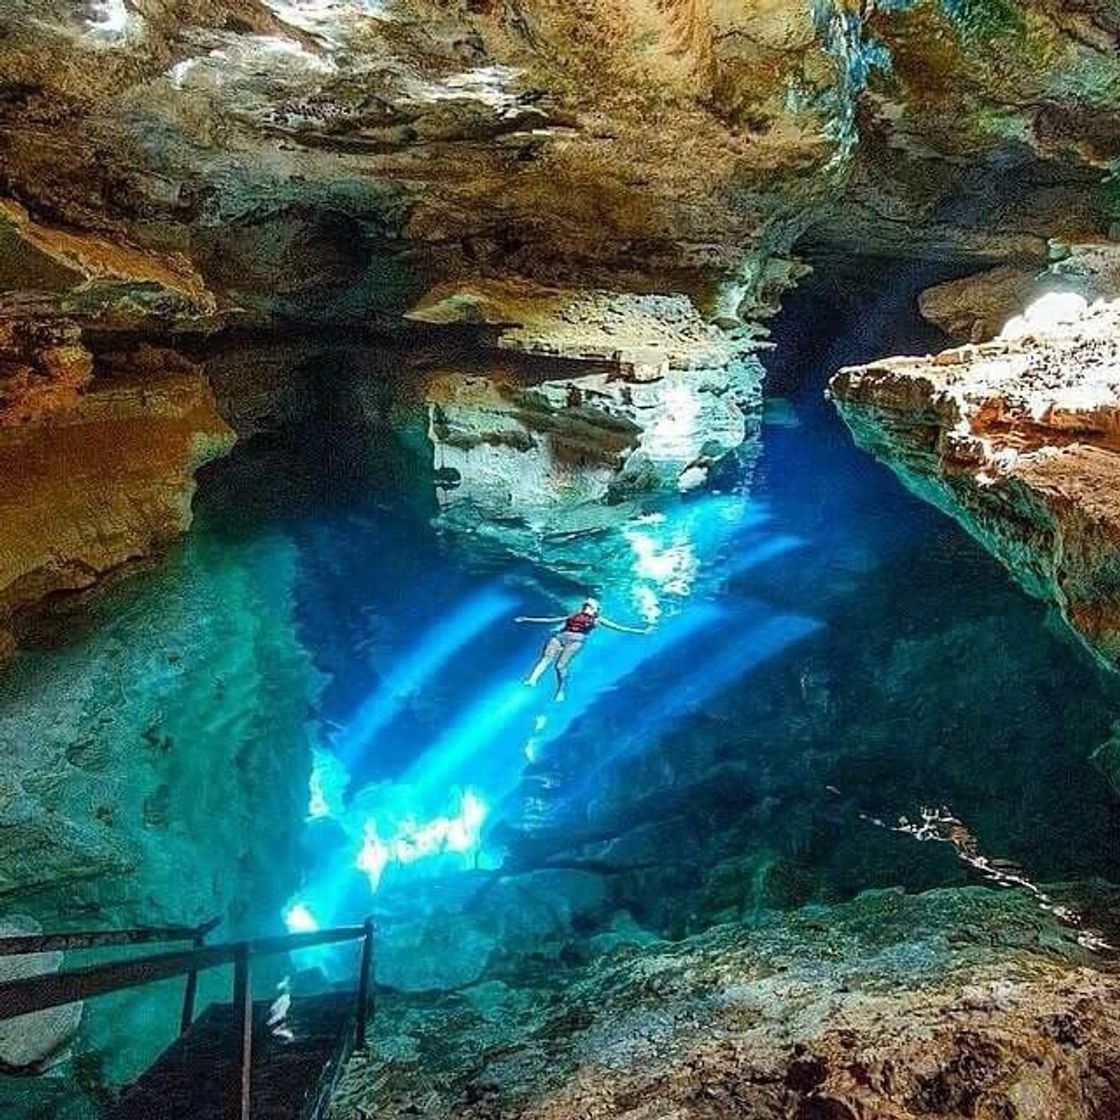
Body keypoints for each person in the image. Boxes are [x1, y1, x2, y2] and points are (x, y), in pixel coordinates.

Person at [516, 597, 651, 701]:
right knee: (546, 658)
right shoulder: (574, 615)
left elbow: (620, 628)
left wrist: (641, 631)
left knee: (560, 666)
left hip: (576, 641)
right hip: (559, 637)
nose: (586, 605)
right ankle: (533, 680)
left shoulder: (598, 620)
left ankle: (561, 690)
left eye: (589, 604)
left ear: (595, 608)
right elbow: (550, 620)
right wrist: (527, 619)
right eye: (586, 604)